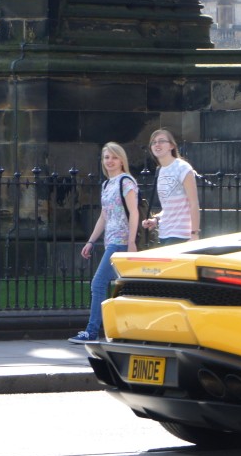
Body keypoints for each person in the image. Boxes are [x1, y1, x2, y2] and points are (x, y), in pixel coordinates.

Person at [70, 143, 139, 344]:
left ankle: (92, 331)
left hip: (122, 242)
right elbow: (104, 216)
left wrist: (132, 241)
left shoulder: (126, 182)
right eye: (106, 157)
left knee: (98, 283)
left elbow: (134, 212)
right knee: (124, 288)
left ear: (121, 160)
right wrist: (91, 240)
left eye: (114, 157)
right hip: (111, 241)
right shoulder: (107, 185)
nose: (109, 161)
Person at [141, 128, 201, 246]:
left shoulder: (183, 168)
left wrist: (194, 233)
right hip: (165, 233)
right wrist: (156, 220)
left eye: (161, 141)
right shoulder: (160, 170)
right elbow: (168, 207)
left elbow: (193, 203)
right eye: (154, 142)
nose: (157, 144)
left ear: (172, 146)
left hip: (182, 234)